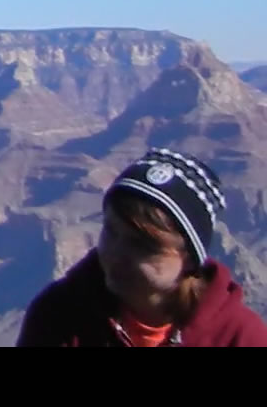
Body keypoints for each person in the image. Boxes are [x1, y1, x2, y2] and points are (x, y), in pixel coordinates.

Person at [16, 147, 267, 346]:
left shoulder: (240, 338)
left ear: (189, 258)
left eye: (143, 245)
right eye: (111, 232)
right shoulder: (59, 317)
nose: (117, 253)